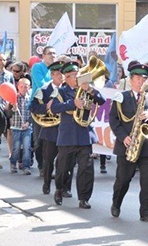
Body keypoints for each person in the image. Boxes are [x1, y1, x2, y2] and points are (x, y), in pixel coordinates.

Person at [50, 61, 107, 208]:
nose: (76, 78)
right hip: (68, 135)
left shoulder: (87, 88)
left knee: (86, 169)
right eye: (73, 76)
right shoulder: (61, 92)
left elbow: (101, 101)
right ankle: (59, 188)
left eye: (78, 75)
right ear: (66, 77)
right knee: (63, 167)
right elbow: (54, 108)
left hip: (84, 134)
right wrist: (72, 103)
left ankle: (83, 198)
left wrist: (91, 90)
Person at [109, 62, 148, 222]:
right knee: (123, 179)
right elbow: (113, 120)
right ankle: (116, 204)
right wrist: (124, 137)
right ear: (130, 79)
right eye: (137, 78)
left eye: (144, 78)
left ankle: (146, 212)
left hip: (147, 146)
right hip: (127, 145)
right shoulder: (121, 97)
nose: (140, 81)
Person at [30, 59, 68, 194]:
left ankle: (65, 188)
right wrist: (46, 106)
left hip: (66, 130)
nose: (61, 76)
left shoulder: (68, 89)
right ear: (52, 75)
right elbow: (33, 107)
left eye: (62, 73)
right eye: (58, 74)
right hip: (50, 130)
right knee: (48, 160)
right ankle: (46, 184)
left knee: (66, 162)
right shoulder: (44, 90)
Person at [8, 78, 32, 174]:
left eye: (25, 87)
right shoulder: (14, 98)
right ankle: (13, 162)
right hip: (16, 127)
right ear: (18, 87)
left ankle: (26, 166)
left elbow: (32, 113)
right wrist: (13, 108)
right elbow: (8, 114)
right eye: (21, 86)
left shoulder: (30, 98)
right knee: (16, 148)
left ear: (29, 87)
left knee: (27, 147)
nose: (23, 88)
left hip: (27, 128)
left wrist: (28, 123)